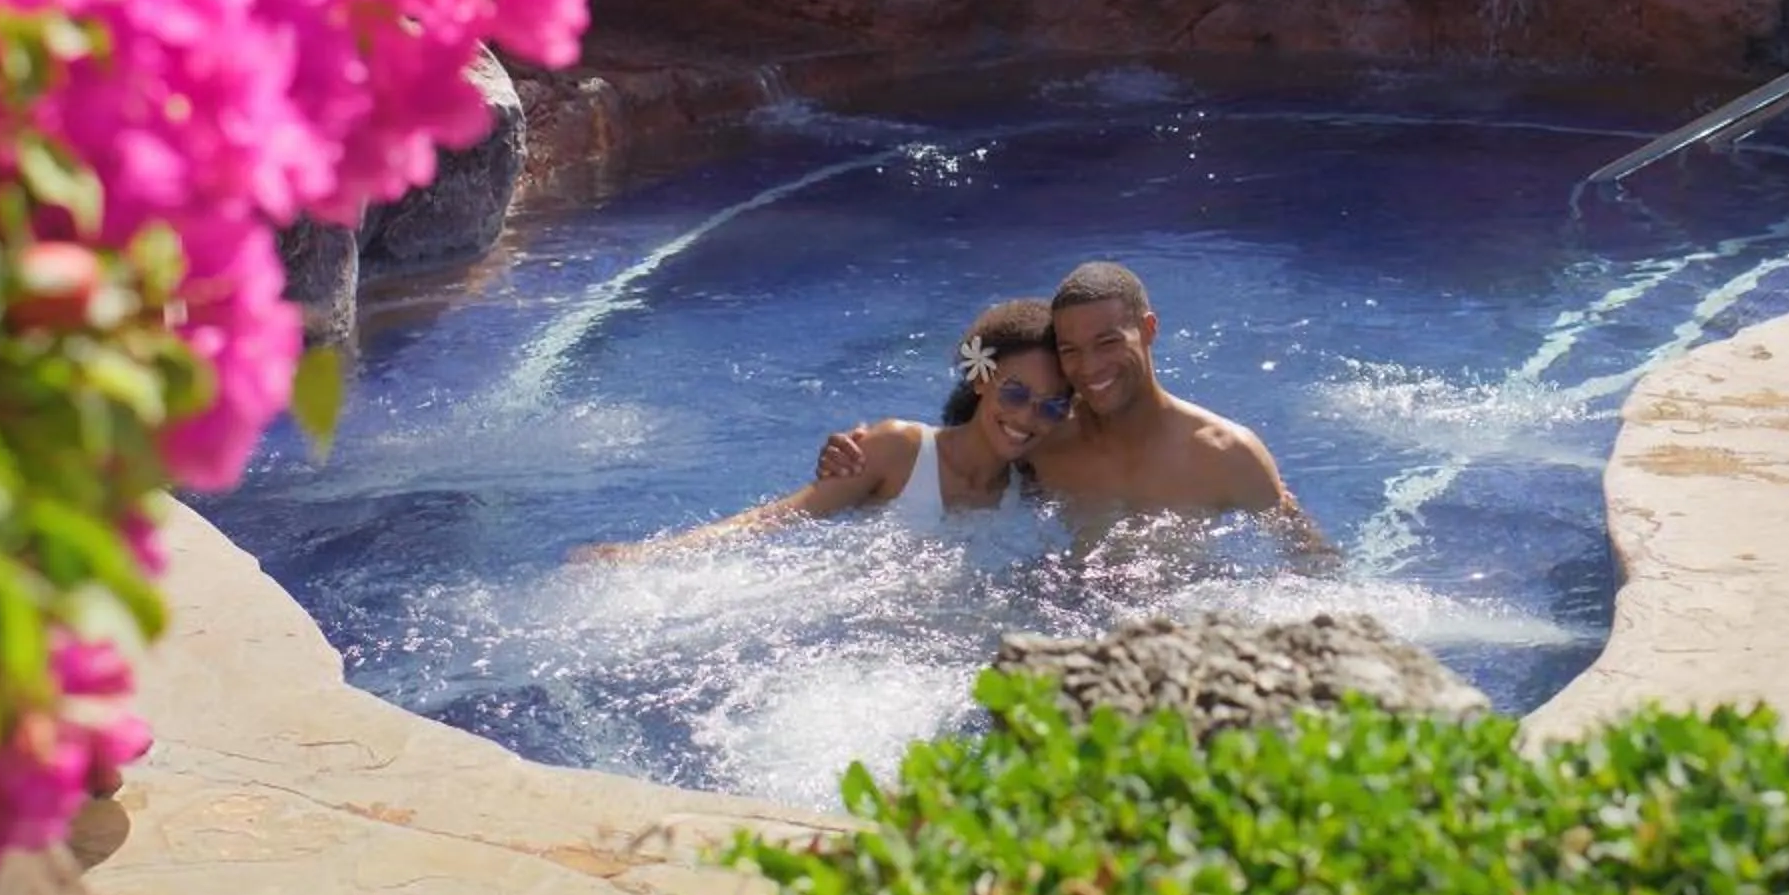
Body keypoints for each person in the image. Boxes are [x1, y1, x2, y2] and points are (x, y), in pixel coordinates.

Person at [818, 261, 1335, 561]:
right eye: (1071, 350)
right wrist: (859, 455)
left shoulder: (1227, 455)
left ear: (1148, 330)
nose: (1089, 367)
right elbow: (964, 444)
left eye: (1107, 342)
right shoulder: (1048, 435)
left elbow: (1311, 562)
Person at [572, 298, 1072, 563]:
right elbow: (777, 519)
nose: (1028, 416)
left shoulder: (1028, 488)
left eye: (1051, 405)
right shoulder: (898, 449)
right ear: (981, 380)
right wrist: (648, 555)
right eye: (1015, 393)